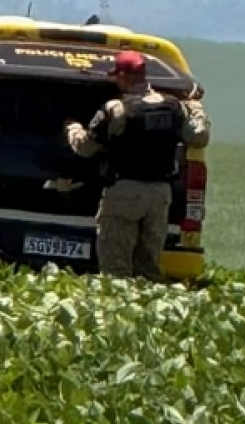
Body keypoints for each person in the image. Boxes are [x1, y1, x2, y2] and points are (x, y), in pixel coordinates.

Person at [65, 50, 210, 280]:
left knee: (115, 269)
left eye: (117, 76)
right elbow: (199, 137)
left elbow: (85, 148)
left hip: (124, 193)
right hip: (160, 195)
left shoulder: (117, 109)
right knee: (149, 270)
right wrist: (195, 106)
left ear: (124, 77)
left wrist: (72, 128)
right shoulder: (174, 106)